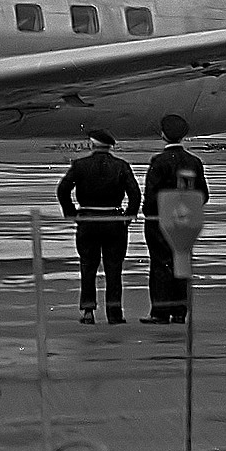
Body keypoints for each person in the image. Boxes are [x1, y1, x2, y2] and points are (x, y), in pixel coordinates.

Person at [57, 129, 141, 325]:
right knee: (114, 268)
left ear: (92, 145)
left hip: (88, 220)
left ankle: (88, 310)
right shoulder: (121, 165)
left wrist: (72, 213)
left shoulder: (80, 165)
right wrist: (128, 216)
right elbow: (135, 194)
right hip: (113, 220)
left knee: (88, 266)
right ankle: (114, 312)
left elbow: (62, 189)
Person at [142, 113, 208, 324]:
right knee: (182, 263)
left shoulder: (159, 162)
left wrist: (150, 212)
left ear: (163, 135)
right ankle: (180, 310)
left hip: (160, 221)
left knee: (160, 264)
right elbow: (203, 194)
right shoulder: (194, 162)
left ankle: (160, 311)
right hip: (185, 221)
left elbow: (151, 195)